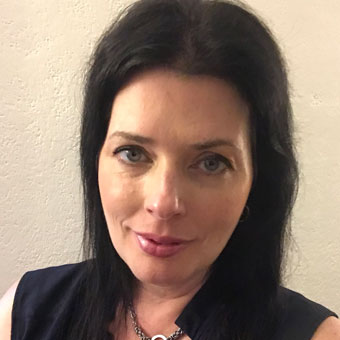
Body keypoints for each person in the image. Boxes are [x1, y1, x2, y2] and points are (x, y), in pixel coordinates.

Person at [0, 0, 339, 339]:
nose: (163, 203)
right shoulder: (25, 313)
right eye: (133, 153)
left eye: (211, 163)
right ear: (96, 158)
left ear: (256, 180)